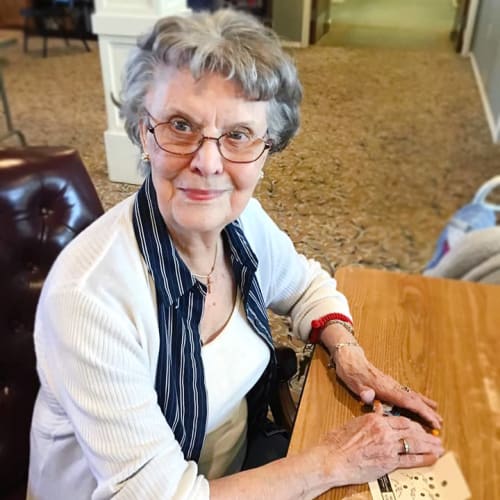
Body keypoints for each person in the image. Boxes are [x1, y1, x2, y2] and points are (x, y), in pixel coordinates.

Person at [27, 9, 444, 500]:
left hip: (233, 469)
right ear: (144, 132)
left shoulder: (241, 222)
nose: (207, 163)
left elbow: (307, 286)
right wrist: (328, 461)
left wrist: (348, 352)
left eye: (238, 136)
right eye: (180, 125)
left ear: (267, 150)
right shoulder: (89, 299)